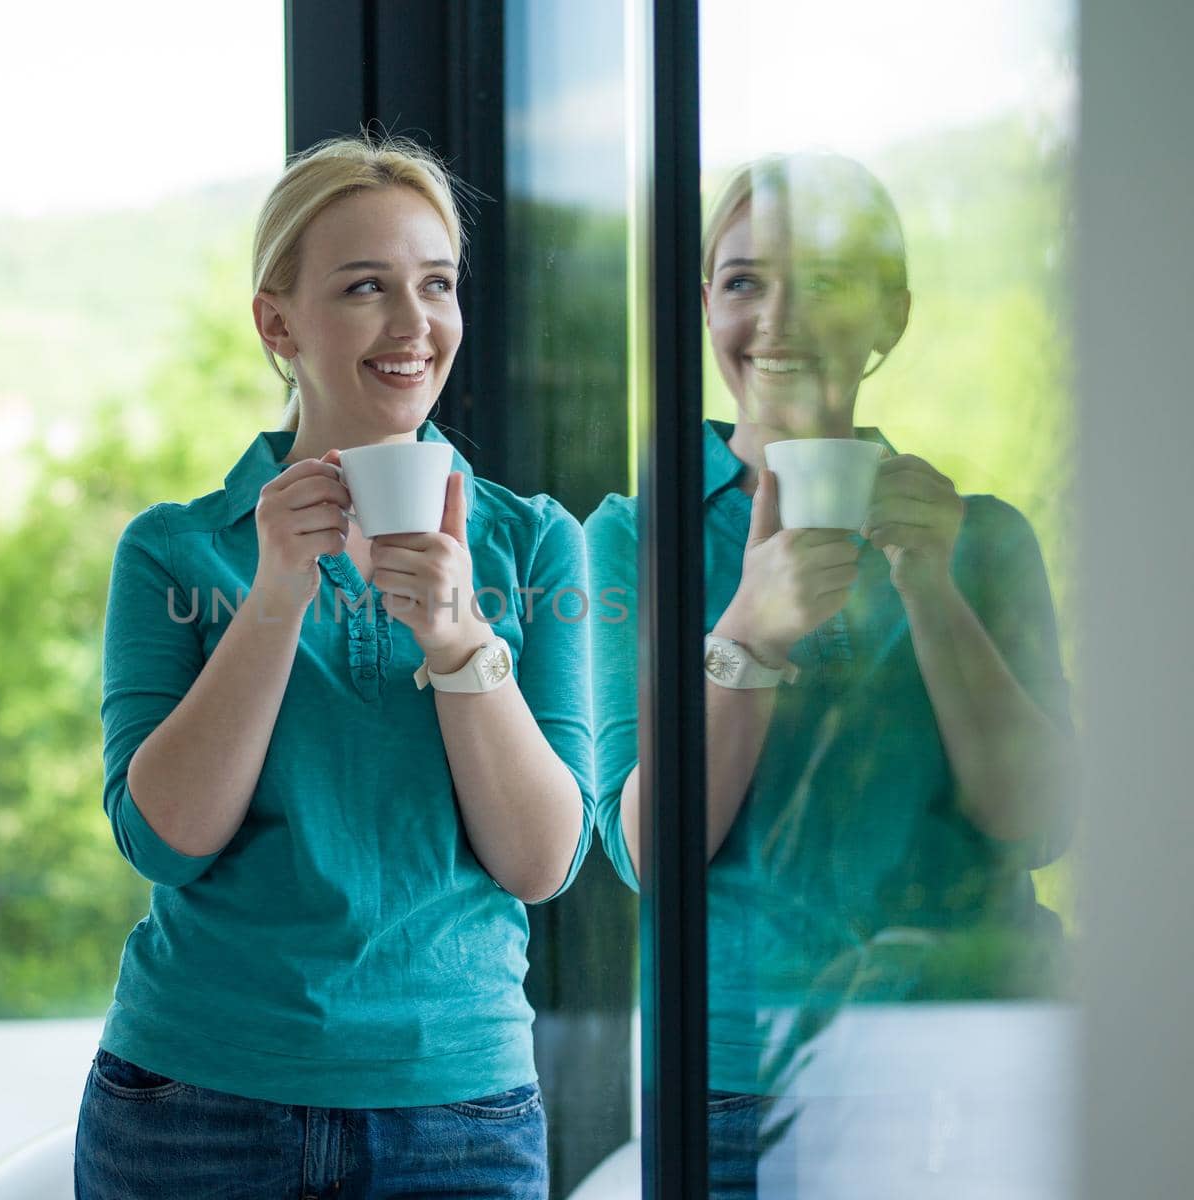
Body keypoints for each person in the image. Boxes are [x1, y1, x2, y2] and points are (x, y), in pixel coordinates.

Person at [73, 133, 596, 1199]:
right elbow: (164, 839)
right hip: (191, 1104)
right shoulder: (176, 549)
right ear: (278, 321)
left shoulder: (535, 546)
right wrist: (274, 596)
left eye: (436, 286)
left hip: (457, 1114)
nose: (414, 327)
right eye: (365, 287)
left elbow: (542, 862)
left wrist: (460, 643)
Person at [585, 153, 1078, 1195]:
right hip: (732, 1076)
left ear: (891, 315)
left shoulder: (981, 539)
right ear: (702, 306)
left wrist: (932, 590)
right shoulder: (638, 538)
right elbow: (646, 851)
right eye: (744, 281)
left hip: (968, 1058)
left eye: (827, 280)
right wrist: (748, 637)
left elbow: (1038, 822)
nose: (779, 318)